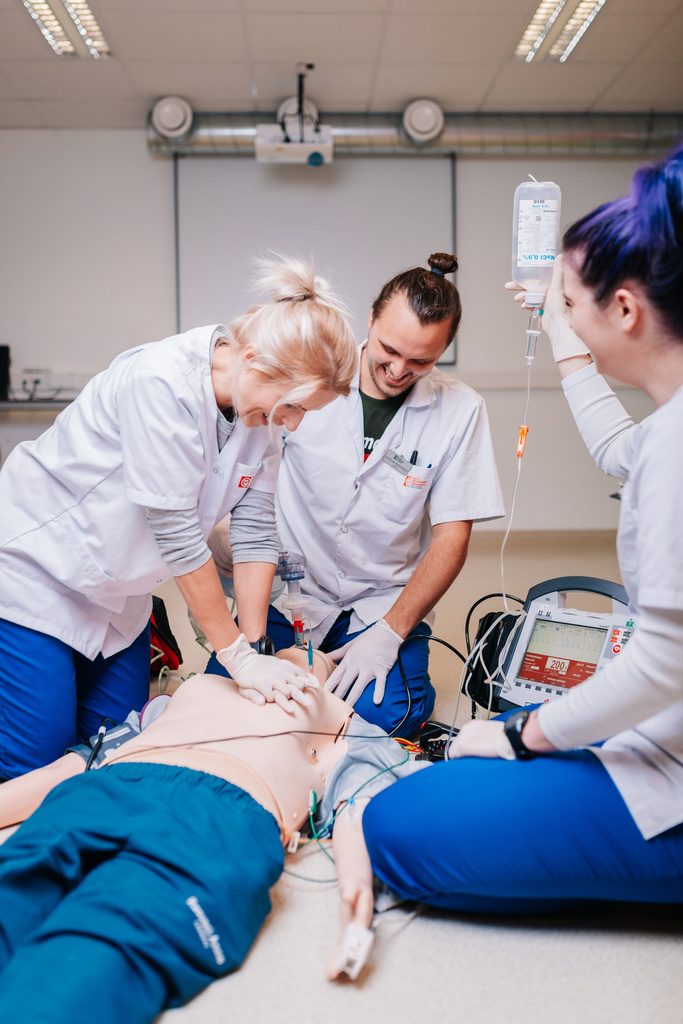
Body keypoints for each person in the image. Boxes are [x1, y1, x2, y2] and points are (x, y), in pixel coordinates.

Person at [363, 143, 683, 912]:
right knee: (492, 740)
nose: (561, 317)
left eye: (570, 303)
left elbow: (664, 663)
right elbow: (617, 448)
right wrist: (556, 323)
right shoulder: (665, 429)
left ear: (625, 310)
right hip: (662, 719)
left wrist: (520, 737)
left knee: (396, 825)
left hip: (669, 753)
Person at [0, 257, 358, 781]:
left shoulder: (261, 418)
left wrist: (255, 649)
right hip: (40, 574)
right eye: (294, 406)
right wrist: (236, 659)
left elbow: (256, 535)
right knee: (37, 766)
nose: (294, 423)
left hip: (120, 596)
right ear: (254, 360)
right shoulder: (160, 383)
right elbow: (179, 537)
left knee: (121, 749)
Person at [0, 647, 427, 1024]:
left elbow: (359, 809)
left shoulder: (345, 725)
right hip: (105, 789)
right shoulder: (187, 693)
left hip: (218, 818)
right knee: (13, 885)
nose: (304, 648)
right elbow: (78, 764)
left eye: (321, 658)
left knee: (89, 957)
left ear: (332, 682)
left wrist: (356, 889)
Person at [207, 253, 504, 736]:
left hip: (382, 602)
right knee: (227, 694)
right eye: (389, 349)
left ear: (443, 350)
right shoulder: (316, 378)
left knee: (391, 715)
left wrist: (390, 632)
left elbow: (451, 539)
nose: (398, 369)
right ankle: (318, 675)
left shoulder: (460, 411)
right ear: (370, 318)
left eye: (421, 360)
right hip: (294, 591)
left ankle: (358, 670)